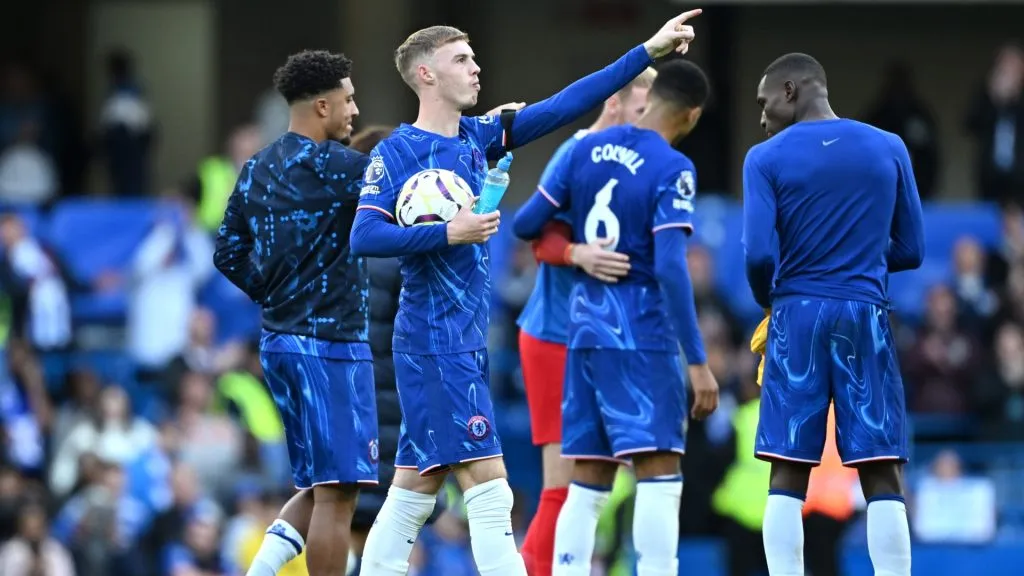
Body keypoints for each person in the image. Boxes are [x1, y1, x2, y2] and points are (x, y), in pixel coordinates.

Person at [349, 11, 702, 576]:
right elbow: (363, 236)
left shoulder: (479, 136)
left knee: (413, 490)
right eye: (460, 59)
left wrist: (648, 52)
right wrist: (448, 232)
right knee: (492, 491)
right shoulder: (394, 153)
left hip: (462, 339)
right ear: (425, 74)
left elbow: (567, 102)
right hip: (432, 341)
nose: (475, 66)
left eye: (473, 56)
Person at [511, 58, 719, 576]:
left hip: (581, 333)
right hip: (639, 335)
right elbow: (671, 266)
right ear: (690, 115)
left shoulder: (581, 151)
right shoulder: (673, 167)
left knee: (587, 479)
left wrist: (576, 247)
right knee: (659, 470)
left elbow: (530, 222)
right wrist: (697, 361)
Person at [742, 52, 925, 576]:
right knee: (880, 468)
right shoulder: (889, 147)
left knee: (787, 467)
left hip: (796, 314)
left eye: (765, 101)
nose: (761, 116)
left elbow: (757, 255)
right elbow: (911, 249)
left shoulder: (764, 157)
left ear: (793, 90)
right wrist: (857, 257)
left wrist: (770, 299)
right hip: (865, 312)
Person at [213, 49, 373, 576]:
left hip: (279, 343)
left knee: (314, 485)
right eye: (349, 99)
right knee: (336, 497)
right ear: (323, 105)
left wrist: (273, 293)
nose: (355, 109)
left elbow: (227, 251)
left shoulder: (256, 167)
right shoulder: (345, 169)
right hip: (331, 347)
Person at [515, 68, 657, 576]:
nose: (650, 124)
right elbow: (534, 233)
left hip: (603, 341)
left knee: (596, 483)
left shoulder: (639, 161)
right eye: (643, 110)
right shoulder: (576, 152)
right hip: (555, 336)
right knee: (563, 483)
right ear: (616, 105)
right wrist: (578, 253)